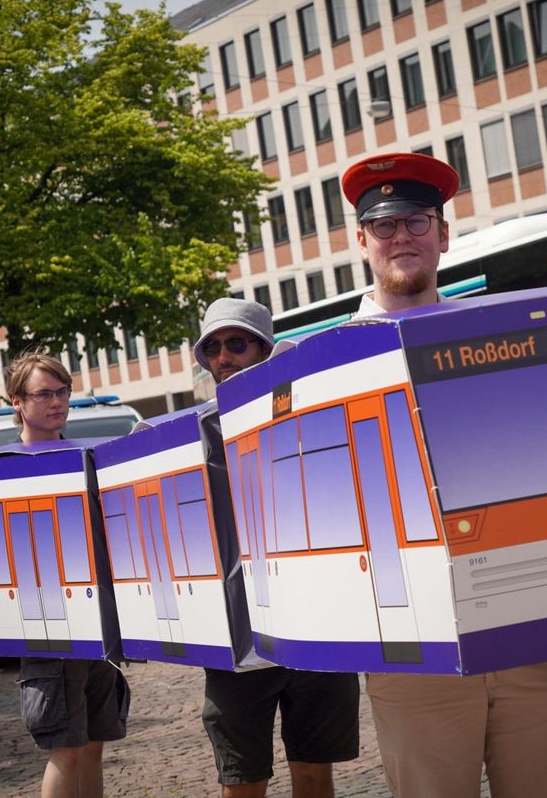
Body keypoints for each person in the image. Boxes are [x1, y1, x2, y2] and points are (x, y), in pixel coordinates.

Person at [340, 152, 547, 798]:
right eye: (384, 225)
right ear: (359, 240)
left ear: (443, 235)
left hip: (529, 637)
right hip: (416, 654)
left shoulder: (499, 341)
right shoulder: (326, 369)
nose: (402, 237)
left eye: (417, 221)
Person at [192, 298, 361, 798]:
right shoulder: (191, 435)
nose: (224, 356)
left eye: (237, 343)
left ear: (265, 351)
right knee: (244, 784)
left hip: (316, 633)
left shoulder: (310, 413)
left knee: (314, 774)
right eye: (214, 348)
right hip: (238, 645)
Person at [6, 352, 128, 798]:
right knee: (66, 748)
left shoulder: (86, 458)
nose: (56, 402)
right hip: (50, 628)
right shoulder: (6, 467)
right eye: (43, 393)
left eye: (62, 392)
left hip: (97, 624)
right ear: (17, 401)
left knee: (94, 745)